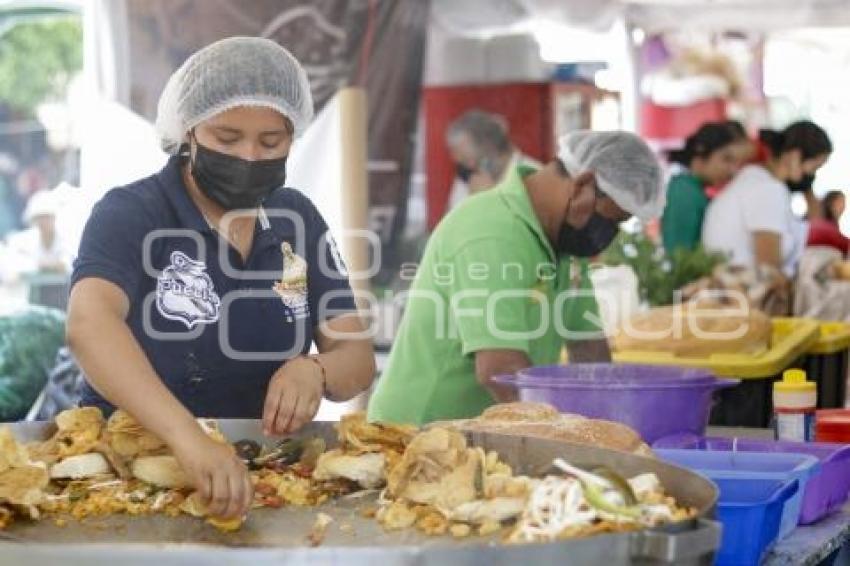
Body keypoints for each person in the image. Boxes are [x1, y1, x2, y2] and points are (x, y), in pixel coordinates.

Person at [66, 37, 375, 520]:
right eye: (227, 139)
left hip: (261, 476)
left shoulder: (296, 217)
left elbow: (355, 356)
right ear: (188, 131)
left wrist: (315, 370)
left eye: (271, 142)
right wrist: (186, 437)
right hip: (129, 476)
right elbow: (90, 323)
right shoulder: (133, 212)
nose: (249, 156)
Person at [368, 130, 664, 425]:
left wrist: (608, 420)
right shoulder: (491, 232)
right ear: (583, 185)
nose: (607, 235)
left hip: (488, 434)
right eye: (610, 220)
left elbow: (587, 346)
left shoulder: (565, 243)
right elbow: (500, 370)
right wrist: (566, 436)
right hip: (415, 434)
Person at [702, 120, 833, 287]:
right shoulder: (768, 190)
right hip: (744, 299)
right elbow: (768, 271)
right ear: (795, 156)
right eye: (814, 168)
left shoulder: (756, 181)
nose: (811, 176)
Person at [660, 123, 739, 253]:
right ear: (701, 156)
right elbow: (680, 255)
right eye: (726, 159)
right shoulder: (685, 192)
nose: (731, 170)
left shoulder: (689, 188)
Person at [445, 109, 540, 209]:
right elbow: (449, 219)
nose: (473, 168)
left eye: (472, 160)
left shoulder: (534, 175)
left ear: (490, 147)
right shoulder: (468, 176)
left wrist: (490, 200)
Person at [807, 190, 848, 255]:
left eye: (844, 202)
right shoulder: (821, 221)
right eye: (839, 202)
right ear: (830, 203)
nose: (843, 206)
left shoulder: (833, 225)